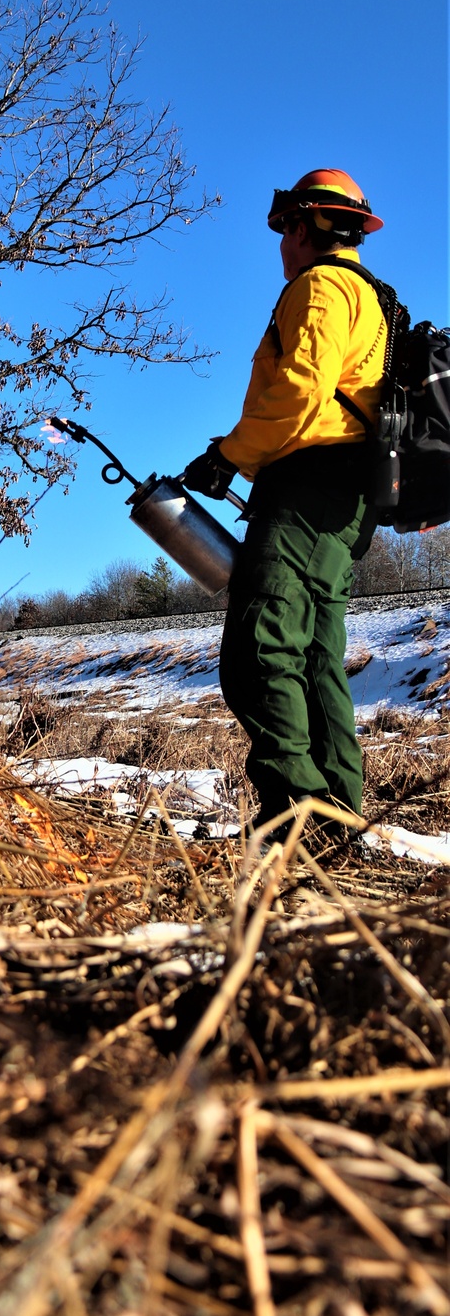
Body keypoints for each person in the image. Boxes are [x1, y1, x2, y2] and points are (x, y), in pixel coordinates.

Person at [182, 169, 387, 831]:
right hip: (340, 502)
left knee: (259, 653)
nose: (281, 247)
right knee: (316, 660)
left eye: (285, 232)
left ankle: (301, 822)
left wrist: (229, 457)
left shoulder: (321, 287)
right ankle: (337, 824)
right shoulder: (370, 296)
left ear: (304, 227)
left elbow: (301, 391)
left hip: (303, 491)